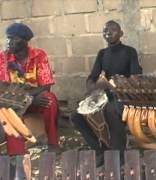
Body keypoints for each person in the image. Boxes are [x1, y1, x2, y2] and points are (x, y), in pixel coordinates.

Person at [71, 20, 142, 166]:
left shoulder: (130, 52)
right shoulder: (102, 54)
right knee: (76, 116)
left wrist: (119, 83)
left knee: (111, 110)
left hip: (125, 96)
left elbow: (136, 77)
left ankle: (118, 154)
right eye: (105, 30)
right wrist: (95, 86)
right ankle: (100, 150)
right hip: (106, 95)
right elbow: (91, 78)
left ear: (121, 33)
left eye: (113, 30)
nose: (108, 33)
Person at [0, 23, 59, 155]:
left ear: (24, 41)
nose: (8, 42)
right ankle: (16, 154)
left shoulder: (39, 55)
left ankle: (53, 144)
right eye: (7, 38)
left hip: (33, 100)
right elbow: (3, 90)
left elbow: (46, 85)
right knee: (8, 110)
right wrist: (28, 99)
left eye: (12, 38)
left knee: (50, 99)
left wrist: (30, 99)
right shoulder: (3, 58)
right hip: (13, 103)